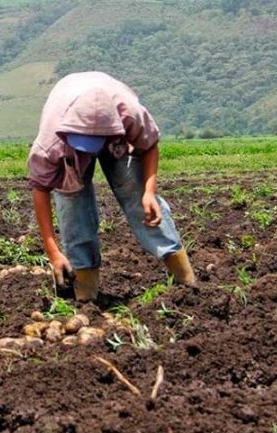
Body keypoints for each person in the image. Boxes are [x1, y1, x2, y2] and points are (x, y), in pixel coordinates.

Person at [27, 71, 195, 301]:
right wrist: (54, 253)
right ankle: (85, 293)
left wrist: (149, 192)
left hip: (116, 137)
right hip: (68, 138)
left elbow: (150, 146)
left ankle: (186, 281)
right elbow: (40, 189)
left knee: (135, 193)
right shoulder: (52, 141)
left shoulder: (131, 114)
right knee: (73, 208)